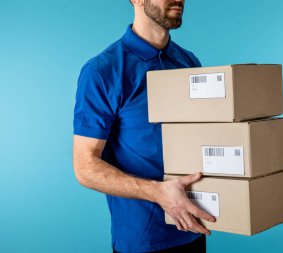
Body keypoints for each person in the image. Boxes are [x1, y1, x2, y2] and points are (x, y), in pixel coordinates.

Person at [72, 0, 216, 252]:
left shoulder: (189, 62)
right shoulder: (103, 70)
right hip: (143, 239)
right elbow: (85, 167)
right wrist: (159, 193)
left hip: (194, 228)